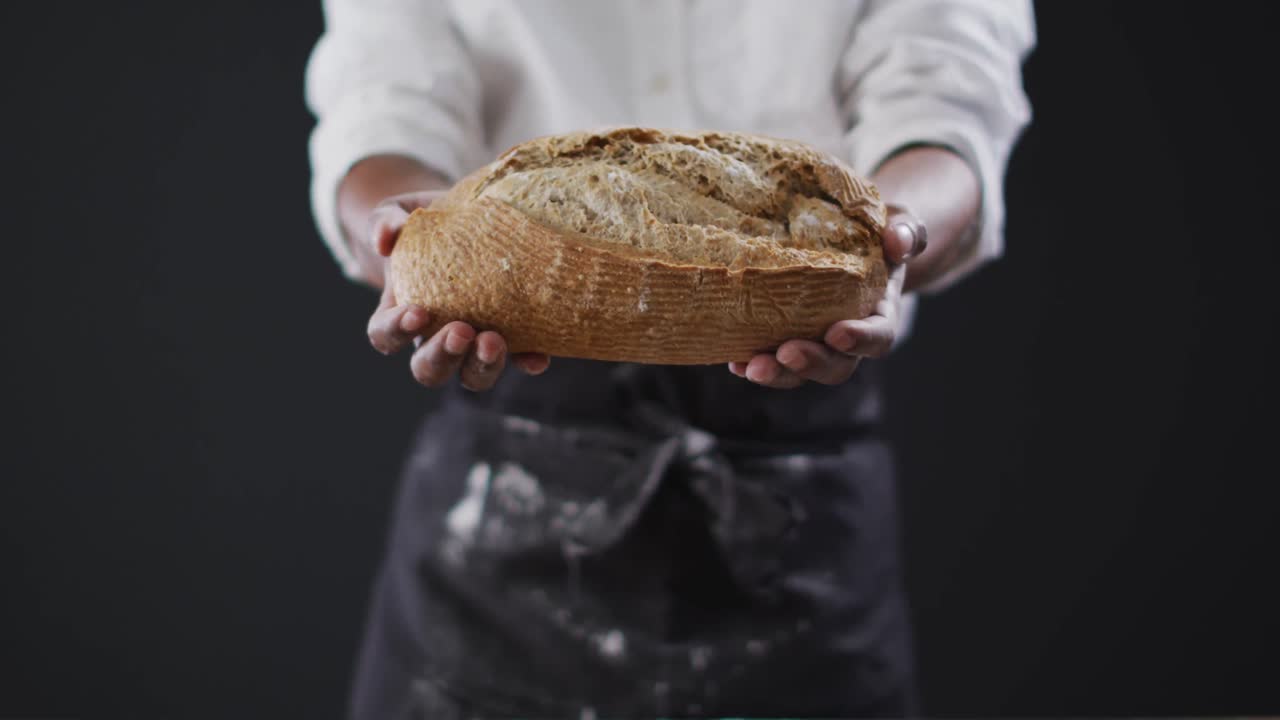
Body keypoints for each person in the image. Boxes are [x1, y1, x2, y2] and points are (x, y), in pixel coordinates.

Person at [305, 1, 1034, 717]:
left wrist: (894, 234)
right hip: (506, 486)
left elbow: (945, 95)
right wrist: (405, 234)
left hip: (797, 488)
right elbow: (383, 95)